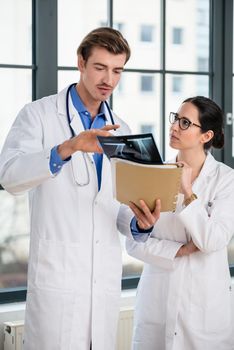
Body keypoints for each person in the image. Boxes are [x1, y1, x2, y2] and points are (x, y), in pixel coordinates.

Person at [0, 27, 157, 350]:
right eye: (100, 67)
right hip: (57, 283)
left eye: (117, 71)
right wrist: (68, 148)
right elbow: (9, 175)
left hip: (102, 286)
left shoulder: (121, 130)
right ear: (81, 63)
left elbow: (113, 206)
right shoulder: (40, 116)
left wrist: (137, 222)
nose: (108, 80)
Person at [118, 96, 234, 350]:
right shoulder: (153, 172)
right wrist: (178, 250)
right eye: (175, 119)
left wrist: (186, 190)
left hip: (205, 310)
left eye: (184, 123)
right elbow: (133, 242)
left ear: (205, 136)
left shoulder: (226, 180)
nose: (174, 127)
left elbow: (213, 240)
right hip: (157, 302)